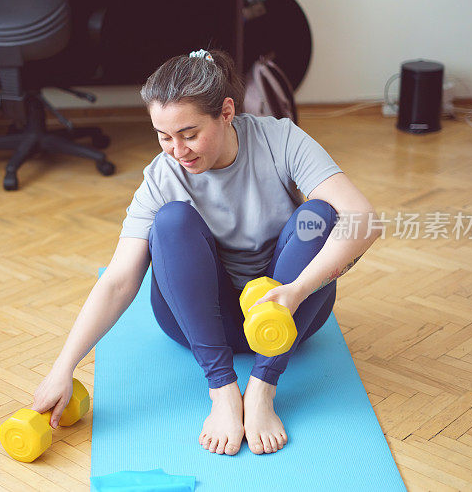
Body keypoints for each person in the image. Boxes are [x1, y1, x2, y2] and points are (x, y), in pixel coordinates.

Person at [31, 48, 379, 457]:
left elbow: (364, 219)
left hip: (287, 311)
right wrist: (63, 367)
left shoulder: (280, 139)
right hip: (200, 322)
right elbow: (119, 279)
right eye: (164, 137)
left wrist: (299, 290)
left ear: (227, 111)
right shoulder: (161, 177)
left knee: (319, 215)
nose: (178, 151)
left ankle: (263, 389)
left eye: (190, 133)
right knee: (171, 221)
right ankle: (223, 392)